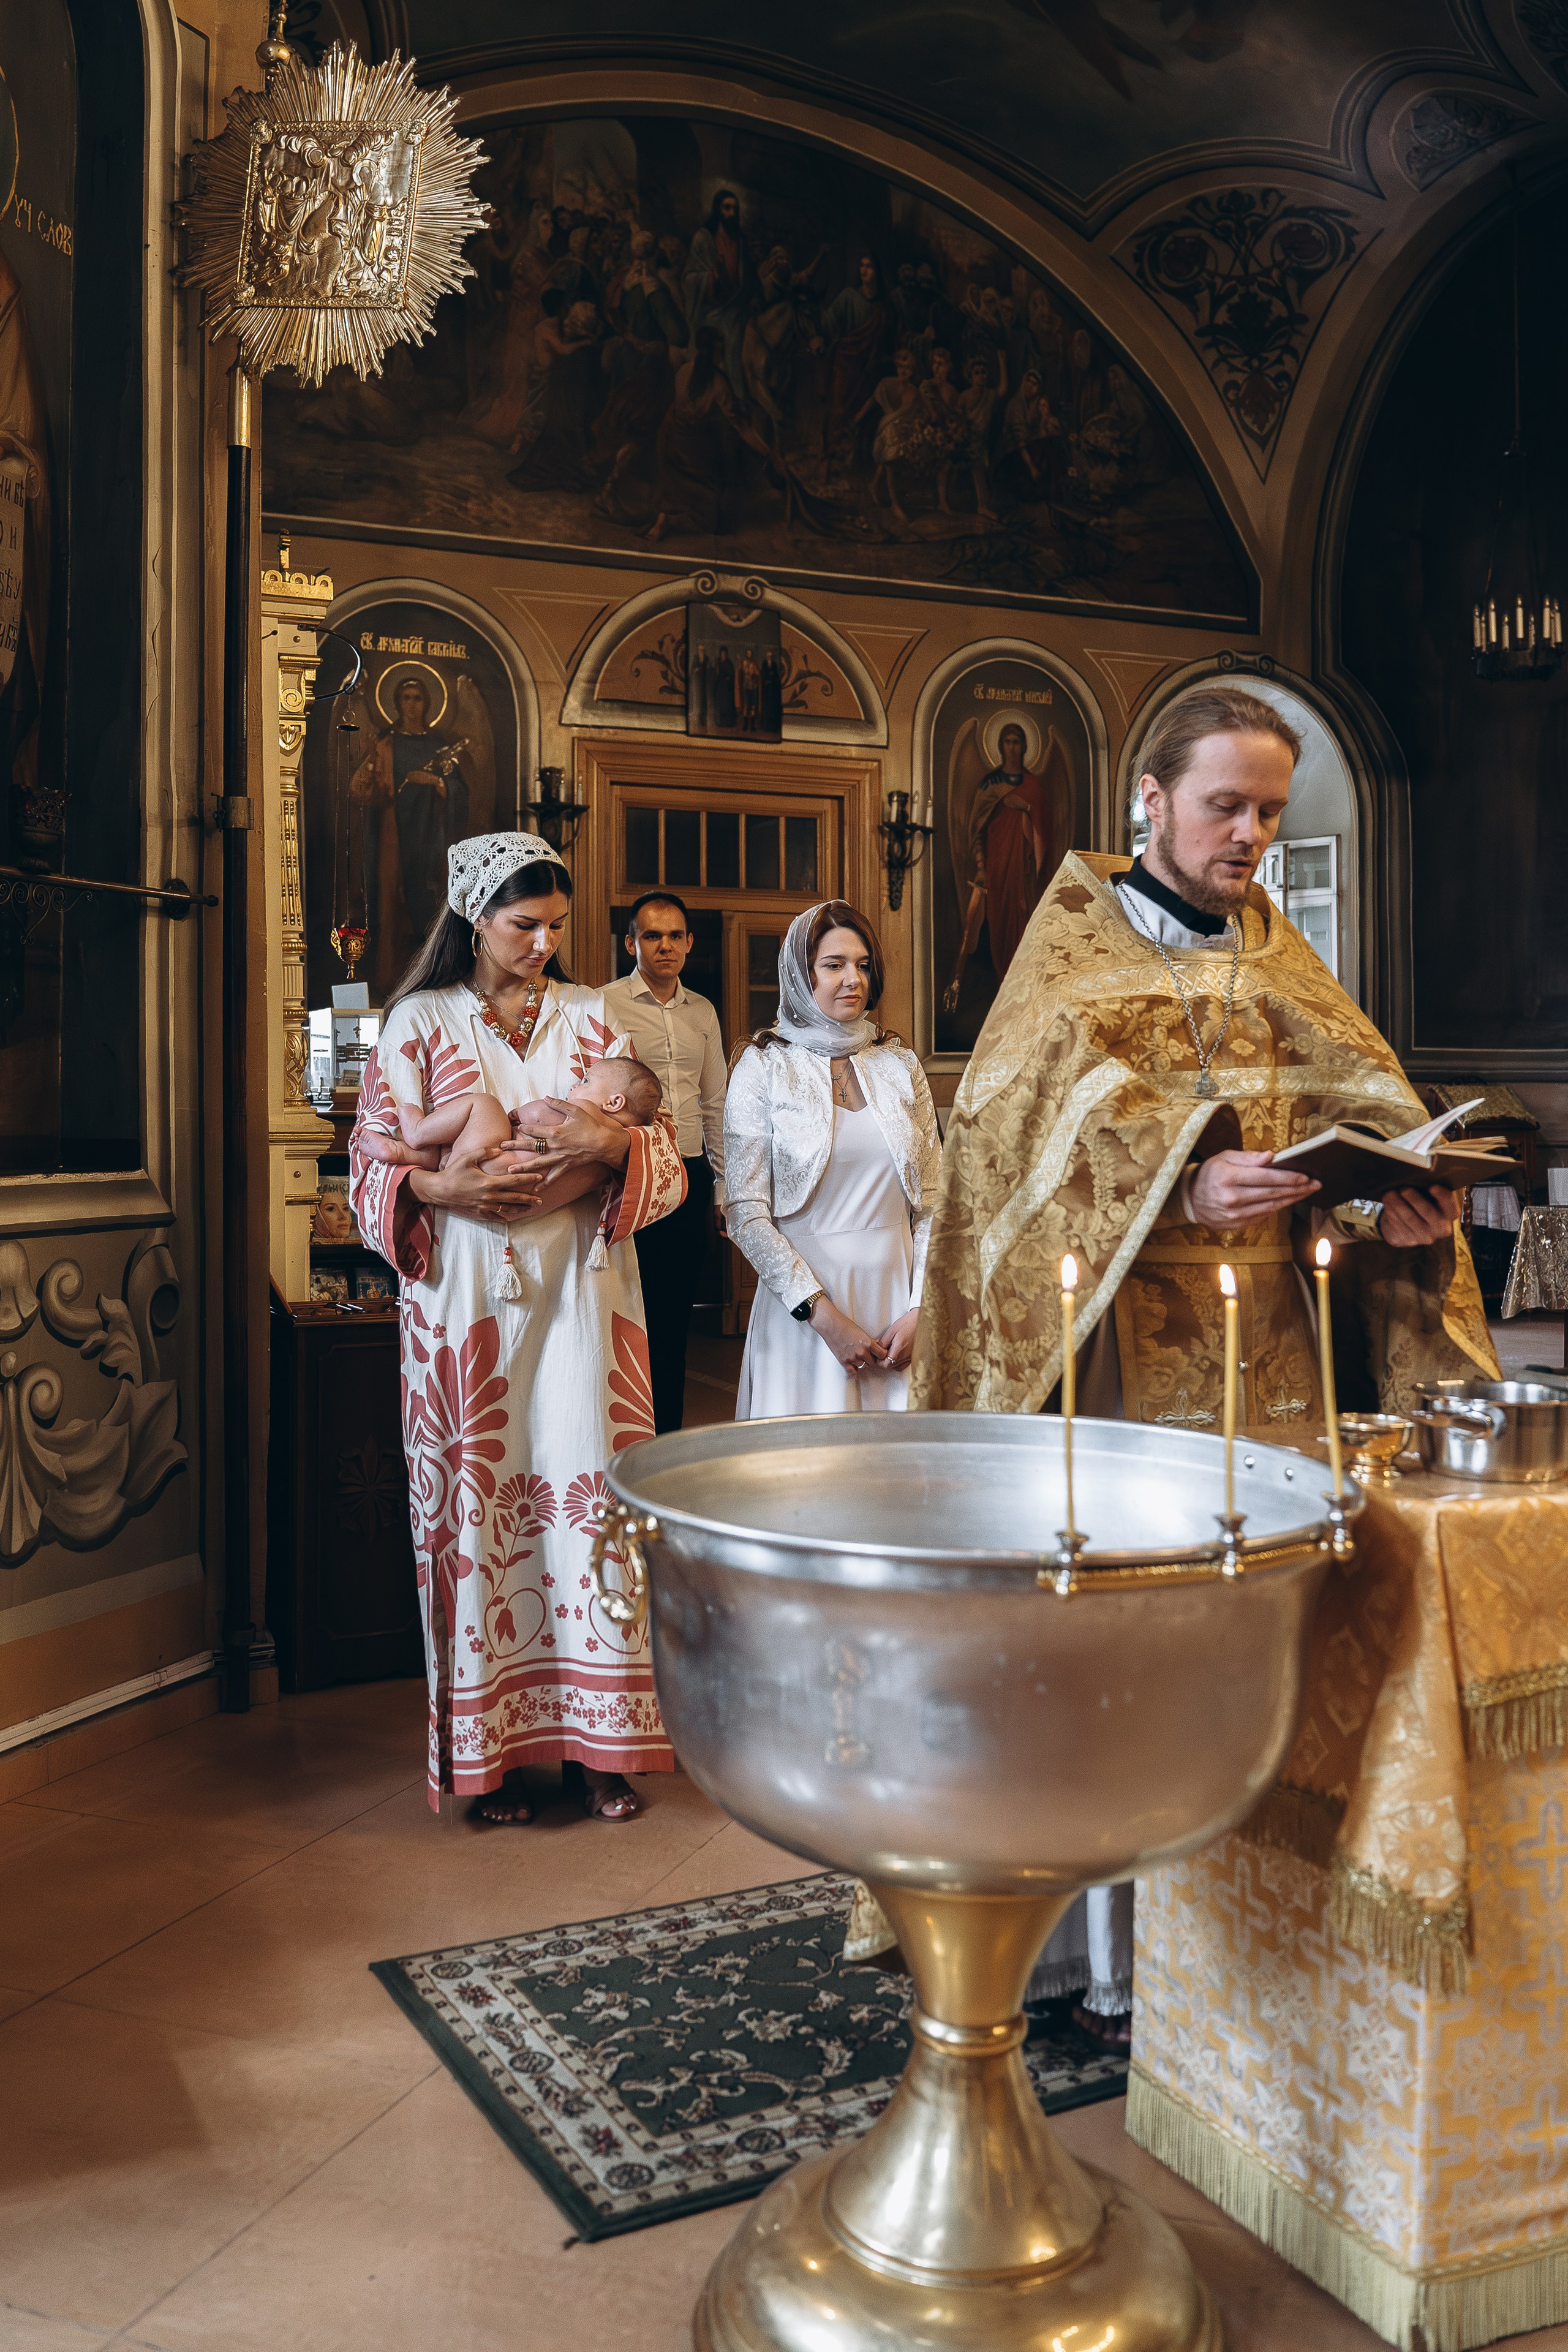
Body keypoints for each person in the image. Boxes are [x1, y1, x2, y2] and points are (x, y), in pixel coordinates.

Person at [910, 682, 1499, 2041]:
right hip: (1114, 1369)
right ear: (1148, 802)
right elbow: (998, 1166)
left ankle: (1259, 1939)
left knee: (1259, 1650)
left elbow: (1355, 1122)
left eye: (1268, 812)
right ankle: (1108, 1966)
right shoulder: (1063, 951)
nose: (1248, 836)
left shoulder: (1277, 955)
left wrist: (1393, 1208)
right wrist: (1173, 1187)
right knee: (1127, 1648)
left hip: (1278, 1361)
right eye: (1223, 805)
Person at [348, 833, 688, 1827]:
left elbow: (660, 1159)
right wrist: (442, 1184)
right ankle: (486, 1763)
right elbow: (370, 1168)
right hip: (462, 1307)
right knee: (481, 1506)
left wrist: (603, 1151)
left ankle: (601, 1752)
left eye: (553, 926)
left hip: (585, 1301)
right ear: (473, 917)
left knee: (589, 1501)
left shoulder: (597, 1018)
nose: (542, 942)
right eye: (521, 924)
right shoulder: (417, 1022)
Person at [725, 900, 941, 1418]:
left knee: (897, 1477)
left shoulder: (899, 1063)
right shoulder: (762, 1065)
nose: (853, 979)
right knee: (804, 1476)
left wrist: (921, 1310)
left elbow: (937, 1201)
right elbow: (746, 1215)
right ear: (801, 974)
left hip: (897, 1297)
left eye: (863, 965)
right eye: (834, 965)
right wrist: (825, 1319)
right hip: (805, 1309)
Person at [359, 1055, 664, 1277]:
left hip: (483, 1175)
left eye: (586, 1081)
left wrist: (520, 1113)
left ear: (614, 1103)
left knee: (485, 1105)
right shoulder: (617, 1154)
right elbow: (659, 1149)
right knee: (457, 1149)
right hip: (513, 1206)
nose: (575, 1084)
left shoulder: (586, 1113)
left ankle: (416, 1135)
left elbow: (542, 1112)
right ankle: (411, 1155)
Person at [602, 893, 727, 1433]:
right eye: (652, 936)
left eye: (676, 935)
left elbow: (716, 1100)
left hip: (691, 1174)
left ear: (690, 943)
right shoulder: (603, 1004)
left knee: (675, 1315)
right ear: (631, 943)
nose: (666, 946)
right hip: (633, 1172)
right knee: (630, 1307)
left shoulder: (702, 1011)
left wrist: (724, 1186)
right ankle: (626, 1434)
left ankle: (666, 1437)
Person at [350, 674, 472, 998]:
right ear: (396, 703)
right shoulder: (386, 743)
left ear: (428, 704)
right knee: (391, 904)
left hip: (431, 839)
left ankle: (434, 977)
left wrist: (436, 783)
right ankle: (390, 982)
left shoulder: (439, 747)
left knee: (427, 905)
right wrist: (373, 774)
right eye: (406, 698)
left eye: (418, 698)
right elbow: (362, 793)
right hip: (393, 837)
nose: (412, 705)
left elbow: (461, 793)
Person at [943, 719, 1074, 1011]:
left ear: (1025, 748)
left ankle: (1020, 991)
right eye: (1007, 742)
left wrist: (1026, 808)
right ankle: (997, 990)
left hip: (1022, 877)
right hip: (993, 873)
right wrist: (980, 865)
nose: (1012, 747)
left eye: (1017, 742)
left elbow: (1045, 837)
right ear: (1000, 747)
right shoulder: (989, 784)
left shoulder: (1035, 787)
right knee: (992, 929)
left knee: (1023, 925)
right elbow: (976, 830)